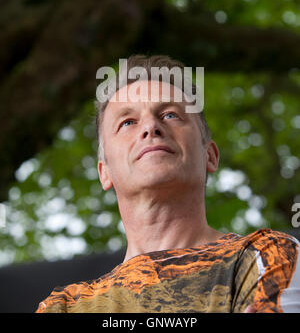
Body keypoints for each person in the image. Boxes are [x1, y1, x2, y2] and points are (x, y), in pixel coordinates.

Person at [36, 54, 300, 313]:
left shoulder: (268, 256)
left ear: (210, 155)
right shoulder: (63, 307)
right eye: (128, 122)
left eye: (171, 115)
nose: (151, 127)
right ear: (105, 172)